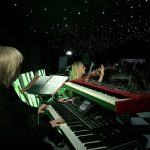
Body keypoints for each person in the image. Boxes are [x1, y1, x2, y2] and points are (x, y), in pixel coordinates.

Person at [0, 46, 65, 150]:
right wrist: (48, 126)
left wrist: (36, 109)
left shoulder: (7, 87)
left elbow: (18, 106)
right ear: (9, 69)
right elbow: (14, 140)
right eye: (18, 65)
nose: (21, 69)